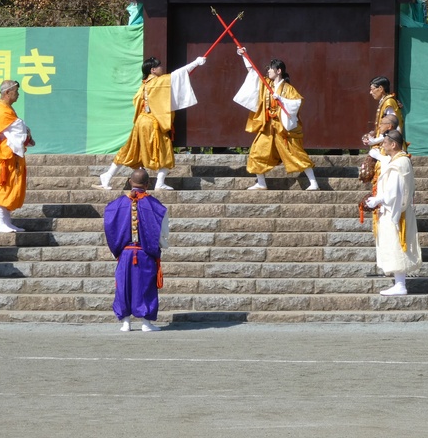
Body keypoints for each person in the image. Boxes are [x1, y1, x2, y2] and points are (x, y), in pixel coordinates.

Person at [97, 55, 206, 191]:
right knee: (165, 151)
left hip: (141, 121)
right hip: (151, 123)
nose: (161, 68)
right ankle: (159, 183)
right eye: (159, 66)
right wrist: (195, 63)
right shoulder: (158, 82)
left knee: (129, 150)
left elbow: (137, 100)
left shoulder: (144, 85)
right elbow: (178, 74)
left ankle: (108, 175)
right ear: (153, 70)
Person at [233, 47, 318, 191]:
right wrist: (244, 55)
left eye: (271, 69)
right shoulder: (266, 84)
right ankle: (261, 183)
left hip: (282, 128)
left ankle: (313, 183)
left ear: (279, 71)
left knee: (296, 153)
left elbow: (297, 102)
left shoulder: (288, 89)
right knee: (257, 151)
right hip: (268, 126)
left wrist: (282, 100)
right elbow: (253, 72)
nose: (268, 71)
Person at [104, 168, 169, 332]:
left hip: (125, 252)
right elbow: (162, 232)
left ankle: (125, 322)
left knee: (124, 286)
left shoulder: (115, 205)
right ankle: (146, 322)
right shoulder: (156, 206)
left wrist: (116, 249)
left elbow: (110, 227)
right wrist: (159, 246)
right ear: (148, 184)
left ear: (129, 181)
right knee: (146, 286)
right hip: (145, 252)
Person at [365, 130, 421, 296]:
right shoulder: (399, 160)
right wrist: (380, 157)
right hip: (393, 208)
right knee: (392, 244)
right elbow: (388, 165)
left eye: (385, 142)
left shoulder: (400, 163)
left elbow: (394, 190)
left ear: (393, 144)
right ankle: (399, 283)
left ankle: (400, 285)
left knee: (396, 244)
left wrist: (378, 199)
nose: (383, 145)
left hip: (395, 210)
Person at [0, 80, 34, 232]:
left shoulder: (7, 109)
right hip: (4, 157)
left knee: (11, 187)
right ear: (7, 93)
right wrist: (24, 130)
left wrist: (23, 130)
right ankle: (0, 222)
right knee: (3, 186)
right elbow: (18, 127)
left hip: (11, 156)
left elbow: (18, 128)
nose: (18, 94)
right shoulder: (1, 110)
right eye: (16, 91)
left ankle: (6, 221)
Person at [362, 76, 404, 148]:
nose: (370, 92)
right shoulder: (384, 102)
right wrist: (374, 133)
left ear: (381, 89)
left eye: (372, 89)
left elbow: (393, 129)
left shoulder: (388, 103)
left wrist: (374, 141)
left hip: (391, 147)